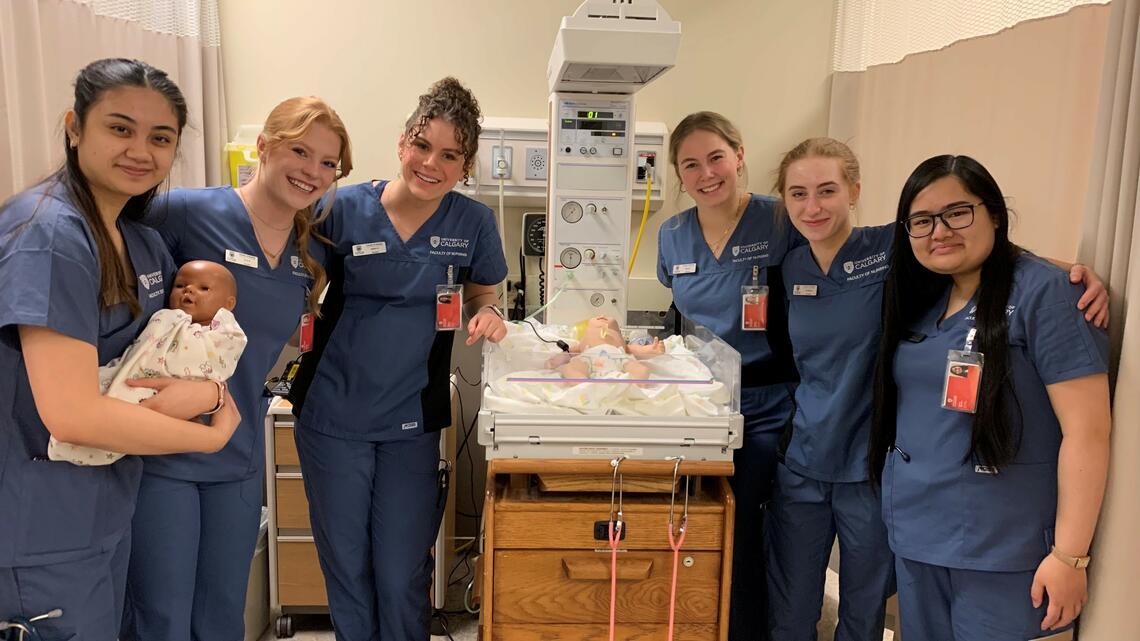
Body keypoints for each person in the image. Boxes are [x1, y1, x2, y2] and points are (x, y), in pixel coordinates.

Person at [768, 138, 1109, 641]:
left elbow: (1090, 430)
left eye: (827, 189)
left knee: (862, 614)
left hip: (950, 512)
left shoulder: (908, 255)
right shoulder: (817, 272)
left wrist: (1076, 275)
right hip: (882, 502)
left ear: (855, 191)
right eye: (797, 193)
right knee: (795, 609)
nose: (812, 206)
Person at [0, 58, 239, 641]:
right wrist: (211, 434)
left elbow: (169, 352)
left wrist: (209, 387)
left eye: (161, 138)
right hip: (36, 526)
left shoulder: (143, 243)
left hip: (104, 508)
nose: (141, 150)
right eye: (120, 128)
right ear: (74, 127)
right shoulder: (47, 235)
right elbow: (73, 413)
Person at [121, 96, 353, 641]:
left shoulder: (306, 250)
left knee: (224, 615)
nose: (312, 171)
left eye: (328, 163)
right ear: (264, 147)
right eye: (300, 150)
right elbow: (102, 230)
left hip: (238, 451)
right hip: (162, 451)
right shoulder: (187, 212)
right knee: (162, 617)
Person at [287, 76, 508, 641]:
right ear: (401, 142)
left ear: (465, 165)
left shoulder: (473, 224)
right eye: (421, 144)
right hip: (332, 412)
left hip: (411, 418)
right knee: (347, 564)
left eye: (450, 154)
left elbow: (486, 292)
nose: (430, 162)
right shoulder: (340, 207)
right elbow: (298, 285)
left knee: (401, 569)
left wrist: (488, 314)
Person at [869, 155, 1111, 641]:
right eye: (922, 221)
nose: (940, 231)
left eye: (957, 213)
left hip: (1001, 546)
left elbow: (1088, 432)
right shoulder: (923, 297)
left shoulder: (1048, 296)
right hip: (920, 534)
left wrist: (1070, 555)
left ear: (994, 214)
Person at [656, 111, 799, 640]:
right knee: (707, 528)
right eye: (690, 165)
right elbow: (680, 316)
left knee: (752, 527)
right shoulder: (673, 235)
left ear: (739, 155)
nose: (706, 173)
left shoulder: (783, 220)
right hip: (703, 405)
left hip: (771, 402)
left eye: (716, 157)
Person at [50, 259, 246, 465]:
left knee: (128, 417)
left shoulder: (226, 334)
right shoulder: (166, 316)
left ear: (228, 304)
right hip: (129, 374)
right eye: (180, 286)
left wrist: (212, 392)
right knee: (100, 391)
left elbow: (216, 364)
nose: (188, 290)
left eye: (204, 288)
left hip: (165, 392)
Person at [550, 315, 665, 380]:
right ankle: (581, 382)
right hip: (590, 357)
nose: (602, 315)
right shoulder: (583, 342)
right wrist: (556, 361)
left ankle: (635, 382)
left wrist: (651, 350)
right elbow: (569, 353)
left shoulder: (621, 343)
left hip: (618, 357)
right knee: (573, 366)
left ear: (619, 332)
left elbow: (635, 349)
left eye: (608, 317)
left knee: (640, 369)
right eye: (596, 317)